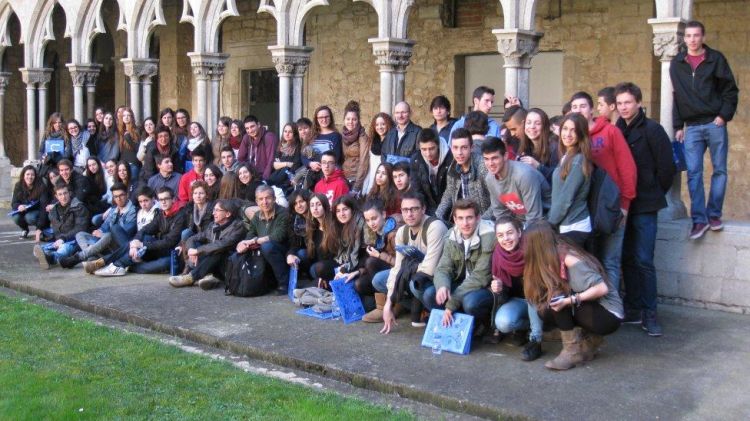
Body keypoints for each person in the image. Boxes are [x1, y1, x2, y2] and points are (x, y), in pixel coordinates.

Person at [615, 82, 676, 336]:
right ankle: (633, 308)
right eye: (619, 103)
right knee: (627, 258)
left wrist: (653, 191)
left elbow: (667, 168)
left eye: (628, 102)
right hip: (623, 207)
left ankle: (650, 314)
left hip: (645, 205)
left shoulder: (653, 130)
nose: (623, 107)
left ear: (639, 102)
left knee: (643, 260)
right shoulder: (616, 130)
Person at [523, 221, 623, 370]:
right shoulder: (552, 257)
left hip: (608, 313)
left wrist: (571, 300)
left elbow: (601, 288)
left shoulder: (569, 258)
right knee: (546, 307)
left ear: (536, 243)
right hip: (593, 309)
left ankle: (572, 351)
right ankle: (588, 341)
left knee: (558, 301)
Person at [671, 21, 739, 238]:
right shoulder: (677, 64)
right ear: (684, 38)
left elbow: (730, 90)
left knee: (719, 170)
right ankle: (699, 220)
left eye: (696, 35)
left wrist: (723, 116)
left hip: (714, 123)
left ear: (703, 37)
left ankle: (714, 215)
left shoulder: (715, 59)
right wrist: (677, 125)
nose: (692, 39)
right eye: (688, 36)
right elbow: (677, 96)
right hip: (691, 127)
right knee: (693, 173)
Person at [570, 91, 637, 290]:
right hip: (584, 209)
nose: (579, 110)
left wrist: (625, 205)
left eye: (583, 106)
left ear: (592, 109)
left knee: (610, 261)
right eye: (574, 107)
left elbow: (627, 168)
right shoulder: (572, 138)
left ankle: (612, 310)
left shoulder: (610, 132)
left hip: (610, 206)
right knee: (590, 261)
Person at [382, 191, 448, 334]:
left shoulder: (435, 227)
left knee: (416, 284)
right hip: (414, 274)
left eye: (414, 209)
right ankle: (415, 307)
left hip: (439, 280)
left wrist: (407, 269)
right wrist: (388, 304)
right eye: (405, 210)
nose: (409, 214)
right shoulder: (402, 232)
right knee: (380, 280)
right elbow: (398, 267)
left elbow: (429, 269)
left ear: (423, 209)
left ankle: (430, 310)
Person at [88, 187, 186, 276]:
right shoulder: (161, 214)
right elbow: (144, 230)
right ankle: (119, 265)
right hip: (153, 249)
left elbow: (169, 242)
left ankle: (119, 264)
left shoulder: (180, 215)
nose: (163, 202)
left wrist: (142, 244)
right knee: (135, 235)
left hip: (171, 252)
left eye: (166, 199)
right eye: (161, 199)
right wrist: (135, 245)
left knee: (165, 262)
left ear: (173, 199)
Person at [432, 199, 495, 335]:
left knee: (470, 303)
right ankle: (455, 326)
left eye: (469, 218)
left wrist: (450, 305)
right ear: (454, 219)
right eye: (460, 218)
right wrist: (443, 286)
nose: (465, 223)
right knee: (431, 294)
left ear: (478, 218)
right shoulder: (451, 235)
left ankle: (484, 325)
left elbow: (480, 277)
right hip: (463, 284)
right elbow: (443, 268)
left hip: (485, 288)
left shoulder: (488, 236)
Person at [491, 216, 544, 361]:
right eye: (500, 235)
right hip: (518, 300)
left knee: (531, 287)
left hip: (539, 299)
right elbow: (503, 297)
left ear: (519, 233)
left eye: (510, 233)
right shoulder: (498, 254)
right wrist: (499, 289)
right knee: (502, 323)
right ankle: (527, 327)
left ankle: (536, 340)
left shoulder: (532, 248)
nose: (506, 239)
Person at [169, 199, 246, 289]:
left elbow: (222, 244)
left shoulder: (238, 226)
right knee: (193, 241)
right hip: (212, 264)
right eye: (214, 210)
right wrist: (191, 250)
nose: (213, 213)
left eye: (217, 210)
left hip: (229, 266)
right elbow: (192, 239)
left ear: (228, 214)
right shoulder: (213, 225)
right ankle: (209, 277)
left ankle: (191, 277)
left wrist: (197, 251)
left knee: (218, 251)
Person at [229, 184, 291, 294]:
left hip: (284, 252)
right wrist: (244, 244)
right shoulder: (256, 216)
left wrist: (254, 241)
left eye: (268, 198)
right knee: (238, 252)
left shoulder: (283, 213)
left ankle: (284, 283)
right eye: (261, 199)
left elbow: (278, 236)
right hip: (264, 253)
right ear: (256, 202)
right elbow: (251, 234)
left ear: (274, 199)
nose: (265, 202)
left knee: (267, 247)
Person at [63, 182, 137, 268]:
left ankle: (79, 257)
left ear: (127, 195)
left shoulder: (133, 211)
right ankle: (92, 259)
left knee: (109, 235)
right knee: (80, 234)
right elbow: (105, 225)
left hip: (119, 246)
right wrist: (99, 231)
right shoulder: (114, 209)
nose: (119, 199)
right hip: (103, 243)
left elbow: (125, 232)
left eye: (121, 195)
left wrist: (103, 234)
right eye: (116, 196)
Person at [548, 113, 594, 247]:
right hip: (565, 225)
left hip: (574, 226)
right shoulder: (567, 157)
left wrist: (549, 223)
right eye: (565, 128)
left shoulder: (578, 160)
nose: (568, 134)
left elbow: (566, 198)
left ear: (581, 134)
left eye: (573, 130)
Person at [435, 129, 490, 222]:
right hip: (461, 220)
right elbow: (448, 194)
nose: (459, 152)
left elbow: (497, 200)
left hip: (484, 220)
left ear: (471, 148)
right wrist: (436, 217)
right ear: (451, 148)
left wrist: (483, 220)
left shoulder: (483, 166)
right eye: (455, 148)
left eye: (464, 147)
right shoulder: (452, 168)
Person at [360, 198, 401, 322]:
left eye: (374, 218)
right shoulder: (376, 231)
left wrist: (379, 256)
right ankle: (380, 304)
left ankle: (392, 305)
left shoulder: (393, 234)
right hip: (387, 269)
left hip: (399, 273)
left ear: (383, 214)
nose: (371, 223)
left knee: (372, 262)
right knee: (359, 284)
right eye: (367, 220)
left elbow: (401, 263)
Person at [32, 184, 90, 269]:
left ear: (69, 193)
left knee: (65, 248)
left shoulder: (79, 207)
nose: (63, 197)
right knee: (40, 249)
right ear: (56, 196)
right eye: (60, 194)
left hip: (76, 241)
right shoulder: (54, 210)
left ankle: (52, 258)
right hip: (60, 240)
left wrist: (63, 239)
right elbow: (56, 230)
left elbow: (80, 228)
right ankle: (48, 255)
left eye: (65, 193)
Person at [412, 129, 453, 215]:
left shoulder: (451, 158)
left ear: (438, 145)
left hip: (451, 209)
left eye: (431, 148)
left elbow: (452, 191)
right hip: (428, 208)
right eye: (424, 149)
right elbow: (417, 190)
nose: (428, 153)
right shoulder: (416, 160)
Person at [518, 108, 560, 184]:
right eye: (529, 122)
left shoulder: (555, 146)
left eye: (537, 123)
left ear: (544, 126)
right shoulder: (525, 146)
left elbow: (558, 177)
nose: (532, 126)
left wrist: (538, 166)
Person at [302, 193, 336, 284]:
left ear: (325, 206)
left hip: (334, 265)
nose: (315, 208)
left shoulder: (334, 225)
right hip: (318, 267)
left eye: (319, 204)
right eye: (312, 205)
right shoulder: (313, 228)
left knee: (318, 268)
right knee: (302, 256)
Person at [11, 165, 49, 239]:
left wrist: (39, 228)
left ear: (35, 176)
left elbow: (43, 207)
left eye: (32, 175)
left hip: (36, 210)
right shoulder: (18, 185)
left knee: (30, 217)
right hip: (23, 210)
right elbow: (14, 203)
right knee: (15, 217)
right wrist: (19, 206)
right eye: (27, 174)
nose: (30, 177)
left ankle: (41, 229)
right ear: (23, 175)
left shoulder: (41, 186)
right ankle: (24, 229)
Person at [359, 113, 392, 195]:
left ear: (388, 124)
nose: (380, 127)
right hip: (372, 179)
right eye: (377, 124)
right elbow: (370, 167)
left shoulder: (392, 142)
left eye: (383, 124)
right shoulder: (372, 141)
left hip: (385, 181)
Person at [237, 115, 277, 180]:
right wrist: (245, 173)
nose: (250, 130)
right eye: (247, 128)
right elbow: (240, 158)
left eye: (252, 127)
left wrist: (264, 180)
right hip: (250, 177)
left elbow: (271, 161)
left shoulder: (269, 137)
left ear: (258, 125)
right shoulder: (246, 137)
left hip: (265, 177)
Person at [341, 101, 370, 190]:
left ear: (358, 120)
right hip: (344, 179)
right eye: (348, 119)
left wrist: (357, 186)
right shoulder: (343, 136)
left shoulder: (362, 137)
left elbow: (364, 162)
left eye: (354, 119)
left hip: (356, 180)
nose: (351, 122)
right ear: (344, 120)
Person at [268, 123, 301, 191]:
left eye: (290, 132)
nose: (287, 134)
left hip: (288, 182)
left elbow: (294, 165)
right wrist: (286, 164)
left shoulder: (298, 148)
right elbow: (274, 165)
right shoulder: (280, 147)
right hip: (277, 179)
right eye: (285, 131)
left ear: (295, 133)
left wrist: (281, 164)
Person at [286, 190, 311, 275]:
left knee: (302, 253)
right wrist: (290, 254)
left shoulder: (316, 216)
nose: (299, 206)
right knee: (300, 253)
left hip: (319, 254)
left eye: (301, 201)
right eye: (295, 204)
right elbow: (295, 244)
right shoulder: (295, 220)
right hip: (305, 254)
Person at [117, 107, 142, 181]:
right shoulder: (119, 131)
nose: (126, 117)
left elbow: (138, 149)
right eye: (124, 116)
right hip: (122, 165)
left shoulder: (137, 130)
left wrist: (128, 138)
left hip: (133, 164)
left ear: (132, 117)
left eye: (128, 115)